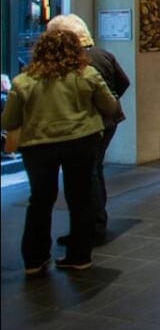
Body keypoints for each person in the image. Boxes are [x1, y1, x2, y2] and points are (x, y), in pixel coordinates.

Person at [2, 29, 118, 274]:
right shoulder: (87, 75)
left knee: (40, 200)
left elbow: (9, 120)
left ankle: (35, 259)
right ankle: (80, 255)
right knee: (80, 198)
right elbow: (109, 105)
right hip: (81, 141)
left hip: (38, 146)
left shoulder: (23, 82)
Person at [45, 14, 129, 245]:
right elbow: (123, 83)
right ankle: (94, 225)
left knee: (87, 175)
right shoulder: (103, 55)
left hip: (90, 124)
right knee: (93, 171)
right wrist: (110, 101)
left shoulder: (75, 62)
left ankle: (92, 228)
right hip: (108, 120)